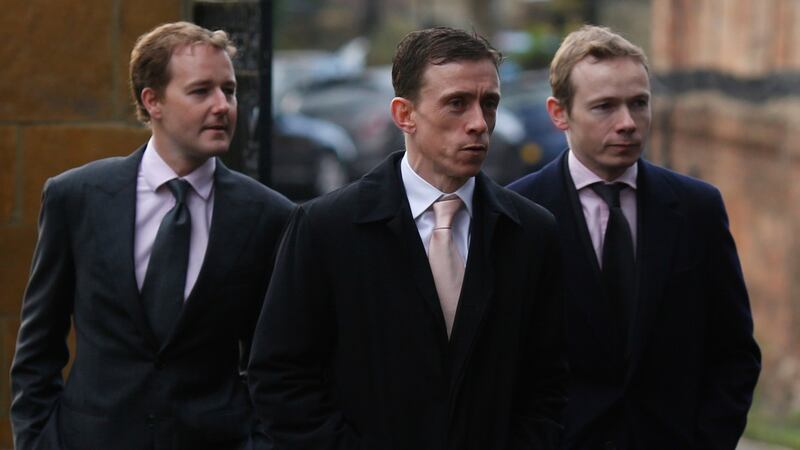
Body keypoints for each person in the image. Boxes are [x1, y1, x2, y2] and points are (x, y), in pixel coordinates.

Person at [248, 27, 567, 449]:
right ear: (404, 114)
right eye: (457, 103)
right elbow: (281, 380)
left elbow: (550, 385)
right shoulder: (325, 229)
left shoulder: (532, 232)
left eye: (489, 103)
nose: (479, 123)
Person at [10, 21, 294, 450]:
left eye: (230, 90)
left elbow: (278, 365)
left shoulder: (270, 215)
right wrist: (38, 442)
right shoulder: (77, 198)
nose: (223, 106)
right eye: (201, 91)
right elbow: (38, 349)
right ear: (153, 100)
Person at [507, 25, 761, 450]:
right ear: (559, 113)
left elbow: (733, 353)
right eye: (605, 107)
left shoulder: (697, 208)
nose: (627, 123)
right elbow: (502, 367)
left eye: (638, 104)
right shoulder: (518, 213)